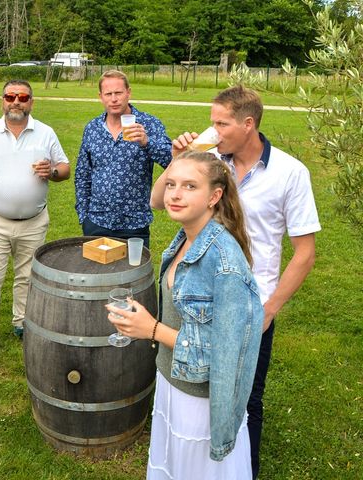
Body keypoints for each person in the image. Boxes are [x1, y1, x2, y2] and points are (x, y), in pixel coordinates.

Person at [160, 85, 321, 478]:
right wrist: (179, 159)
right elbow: (157, 200)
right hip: (197, 298)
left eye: (221, 123)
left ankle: (240, 469)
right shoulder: (208, 163)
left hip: (251, 306)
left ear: (248, 124)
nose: (212, 130)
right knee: (195, 389)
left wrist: (269, 309)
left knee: (244, 399)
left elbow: (305, 252)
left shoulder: (290, 173)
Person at [108, 151, 263, 479]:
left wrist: (151, 329)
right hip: (171, 381)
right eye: (172, 184)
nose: (175, 194)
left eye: (190, 186)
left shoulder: (224, 262)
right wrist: (146, 321)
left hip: (201, 400)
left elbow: (224, 350)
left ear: (214, 196)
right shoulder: (186, 240)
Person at [0, 79, 70, 368]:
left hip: (34, 221)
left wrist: (53, 172)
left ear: (31, 102)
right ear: (3, 101)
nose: (16, 101)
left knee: (27, 276)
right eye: (10, 96)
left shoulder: (45, 133)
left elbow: (65, 170)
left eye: (23, 97)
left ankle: (23, 323)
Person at [74, 69, 172, 247]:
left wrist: (146, 142)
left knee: (135, 273)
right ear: (100, 96)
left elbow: (172, 161)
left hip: (134, 224)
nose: (114, 99)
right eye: (108, 94)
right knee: (96, 273)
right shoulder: (93, 128)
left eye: (118, 93)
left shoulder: (149, 124)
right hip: (96, 221)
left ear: (128, 92)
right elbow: (82, 174)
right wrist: (84, 215)